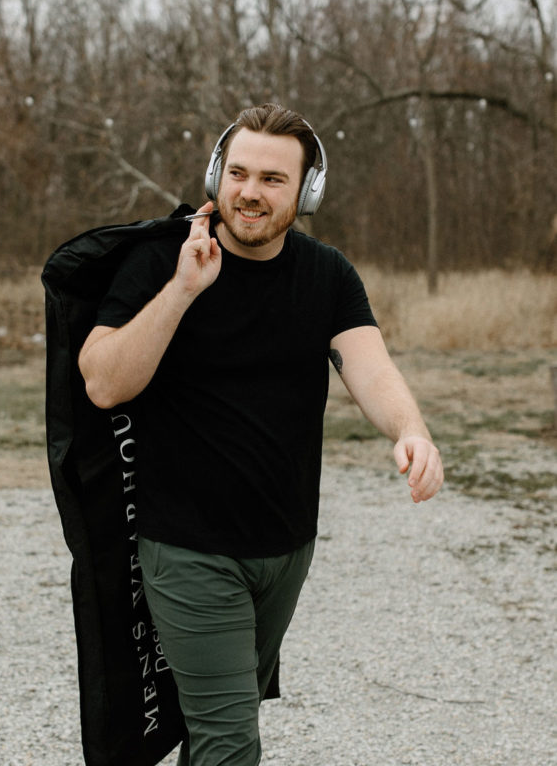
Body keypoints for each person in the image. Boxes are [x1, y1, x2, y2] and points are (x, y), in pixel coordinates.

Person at [78, 103, 444, 766]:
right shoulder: (163, 261)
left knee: (220, 723)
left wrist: (409, 430)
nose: (249, 191)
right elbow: (103, 382)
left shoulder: (326, 273)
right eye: (238, 172)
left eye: (273, 179)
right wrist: (182, 291)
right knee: (228, 740)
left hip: (285, 548)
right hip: (187, 549)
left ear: (306, 192)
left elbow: (367, 364)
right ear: (217, 173)